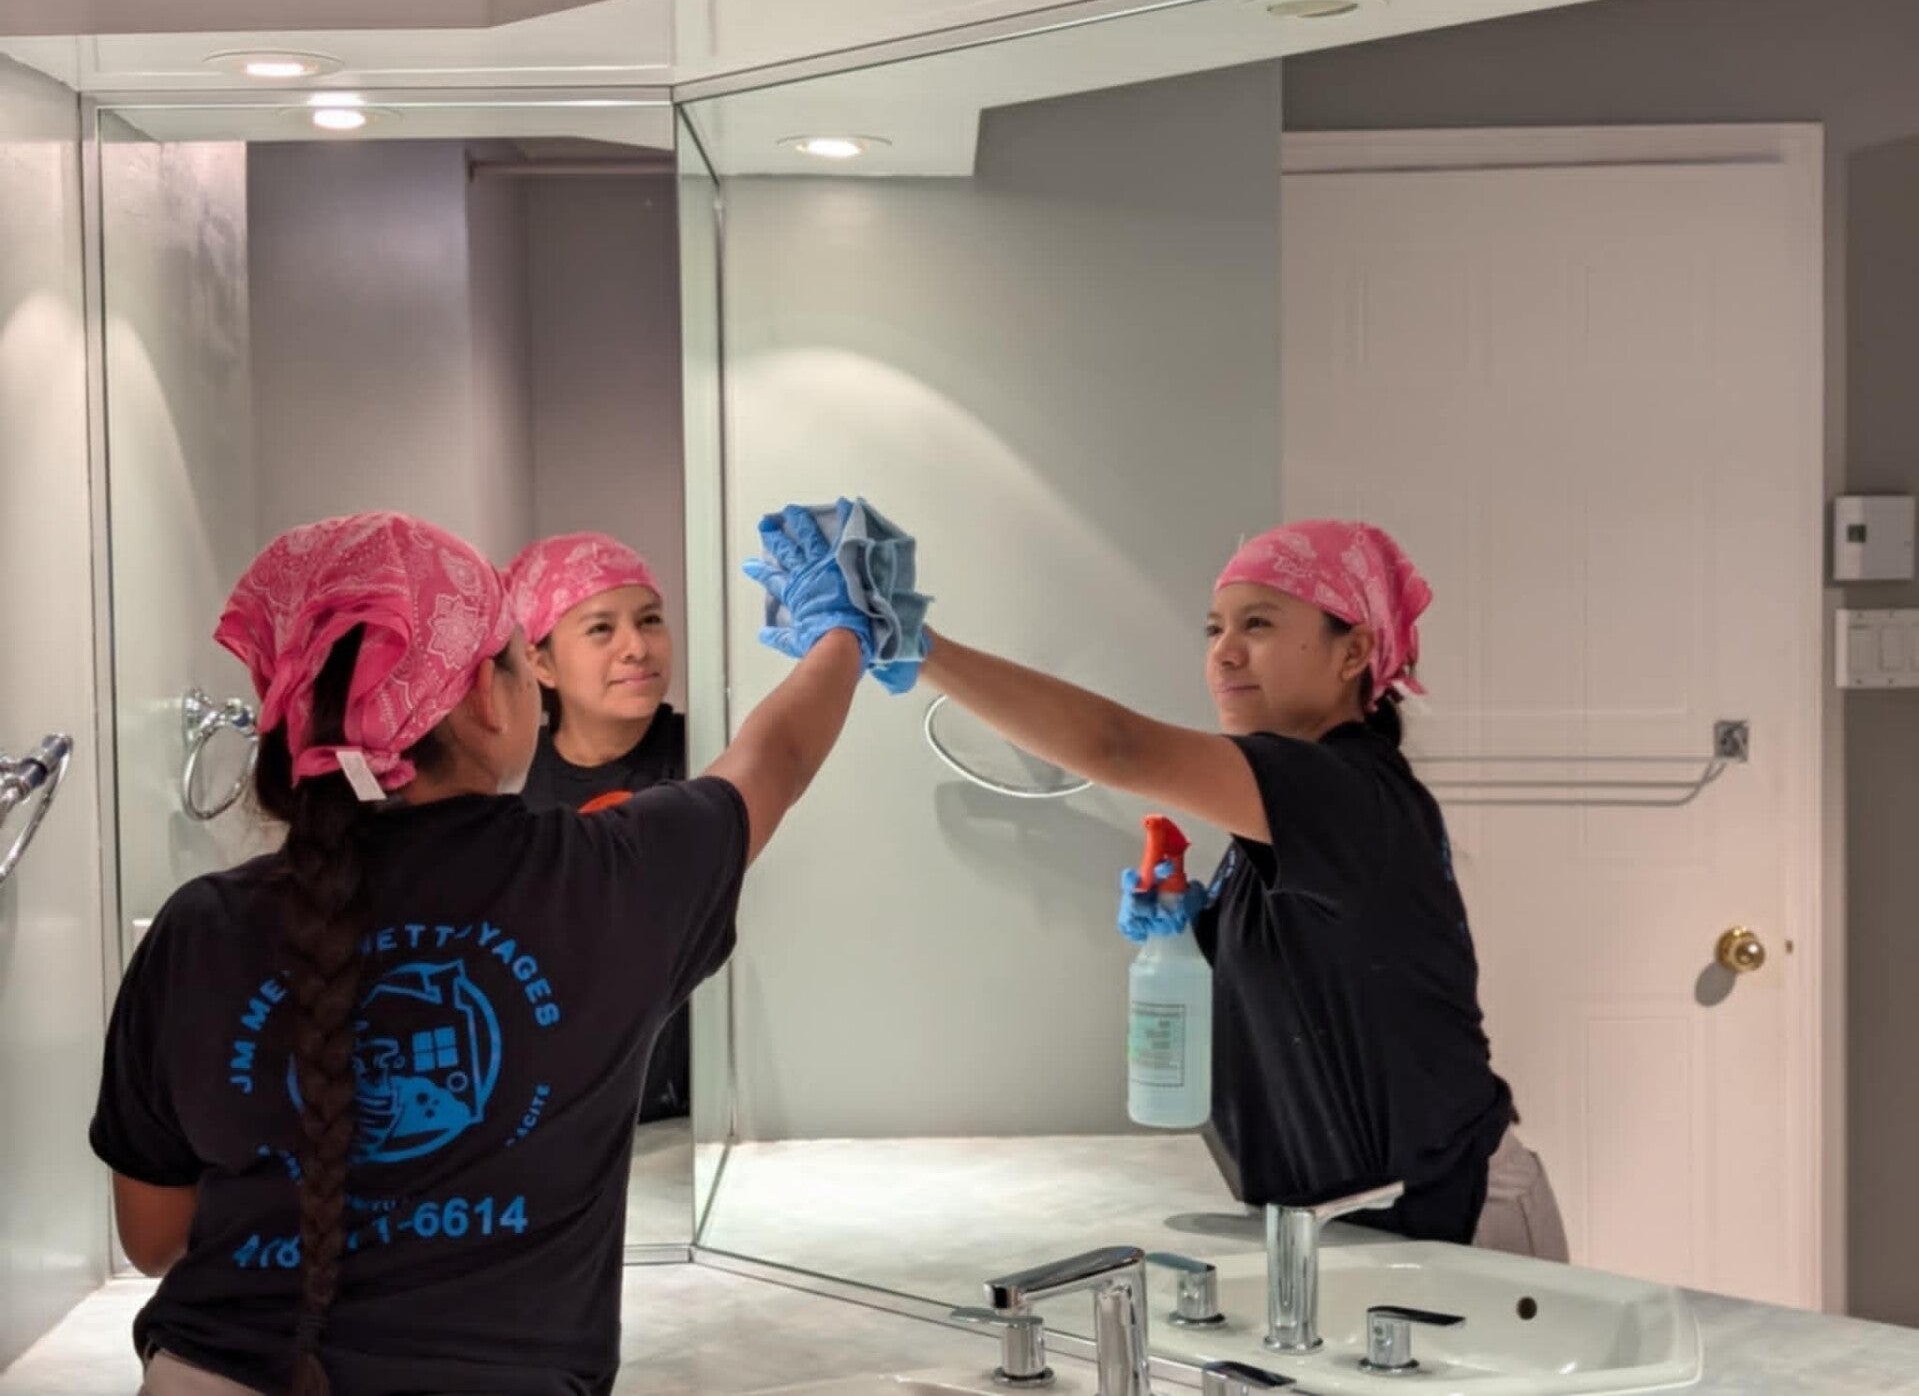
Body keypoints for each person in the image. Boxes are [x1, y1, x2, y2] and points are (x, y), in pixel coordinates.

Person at [91, 506, 884, 1396]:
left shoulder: (197, 927)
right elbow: (777, 755)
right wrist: (842, 631)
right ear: (483, 694)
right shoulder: (613, 879)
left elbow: (154, 1239)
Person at [777, 517, 1567, 1258]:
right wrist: (1192, 937)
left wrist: (919, 645)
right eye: (1214, 629)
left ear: (1353, 650)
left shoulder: (1345, 790)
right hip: (1361, 1222)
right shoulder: (1288, 808)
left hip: (1456, 1217)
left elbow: (1118, 747)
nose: (1224, 653)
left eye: (1257, 624)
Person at [504, 532, 690, 1123]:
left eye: (650, 620)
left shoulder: (706, 757)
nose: (637, 647)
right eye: (601, 629)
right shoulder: (508, 785)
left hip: (690, 1115)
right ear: (541, 663)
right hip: (557, 1116)